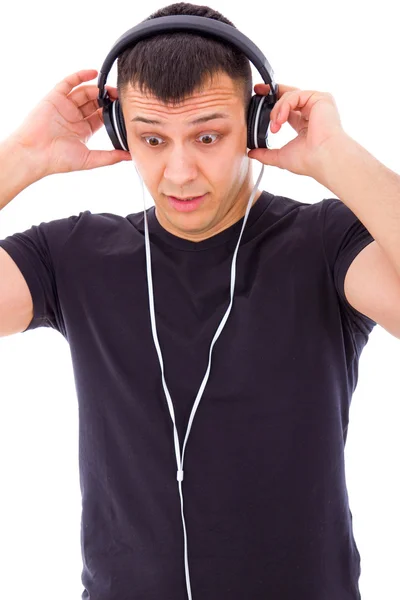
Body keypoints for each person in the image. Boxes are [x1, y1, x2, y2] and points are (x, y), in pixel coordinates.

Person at [1, 2, 393, 599]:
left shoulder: (328, 243)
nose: (179, 172)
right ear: (121, 132)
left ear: (257, 120)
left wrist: (335, 156)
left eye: (208, 136)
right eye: (152, 138)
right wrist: (21, 157)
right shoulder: (72, 255)